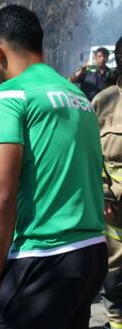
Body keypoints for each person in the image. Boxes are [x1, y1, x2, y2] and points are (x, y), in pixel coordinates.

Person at [0, 5, 107, 329]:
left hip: (45, 255)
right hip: (90, 254)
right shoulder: (77, 96)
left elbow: (1, 192)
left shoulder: (8, 95)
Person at [92, 36, 122, 329]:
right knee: (114, 277)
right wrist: (102, 192)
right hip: (114, 208)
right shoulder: (104, 101)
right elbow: (90, 153)